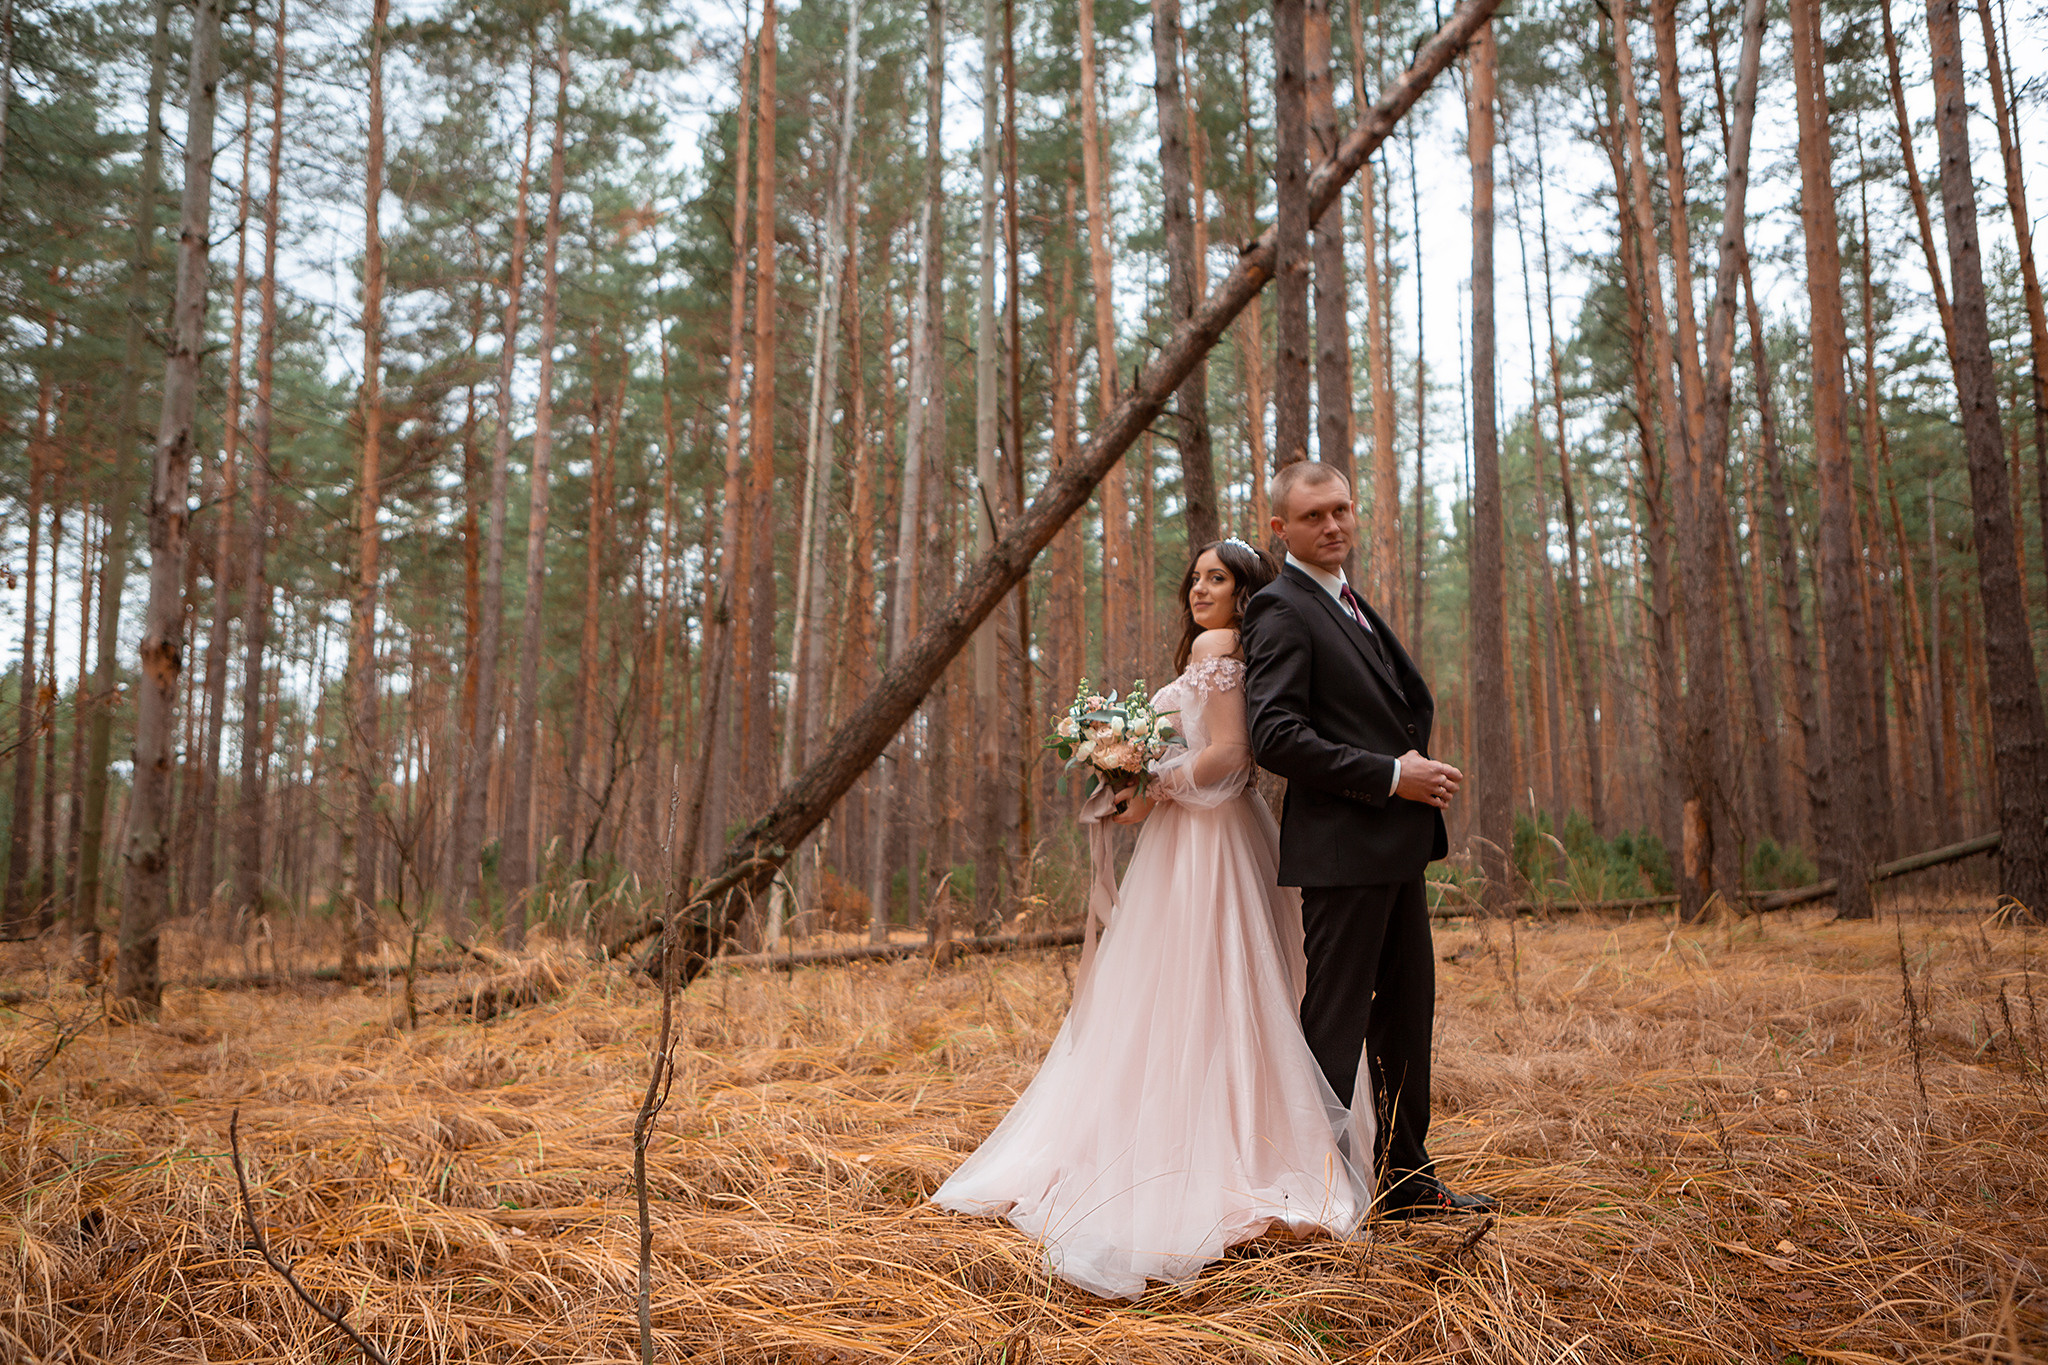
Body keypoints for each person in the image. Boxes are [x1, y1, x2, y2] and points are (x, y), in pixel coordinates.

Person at [933, 538, 1370, 1299]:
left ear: (1246, 590)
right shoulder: (1232, 646)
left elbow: (1232, 755)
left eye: (1218, 577)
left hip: (1207, 844)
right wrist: (1135, 774)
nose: (1200, 589)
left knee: (1197, 984)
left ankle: (1211, 1151)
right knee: (1216, 989)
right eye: (1195, 577)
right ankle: (1241, 1132)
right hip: (1209, 836)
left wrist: (1156, 776)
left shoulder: (1219, 644)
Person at [1239, 460, 1493, 1219]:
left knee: (1407, 1015)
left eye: (1343, 509)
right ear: (1280, 529)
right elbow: (1275, 735)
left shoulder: (1346, 600)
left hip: (1394, 849)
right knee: (1337, 1024)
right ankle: (1310, 1188)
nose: (1334, 525)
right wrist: (1390, 774)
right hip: (1345, 850)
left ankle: (1405, 1182)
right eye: (1314, 515)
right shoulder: (1282, 608)